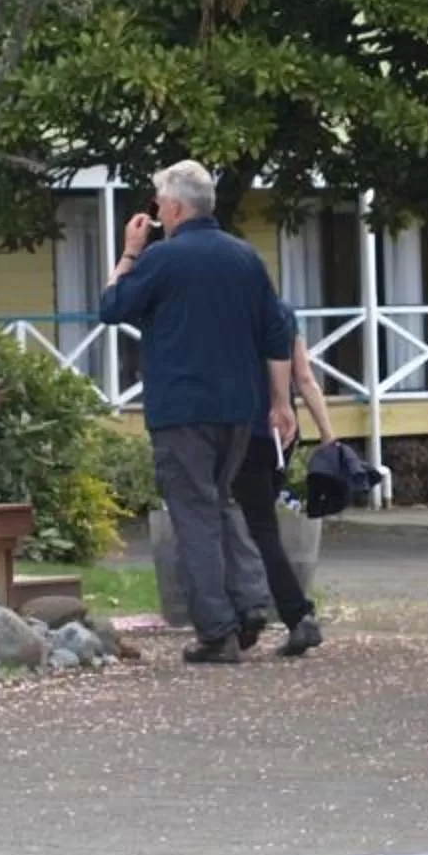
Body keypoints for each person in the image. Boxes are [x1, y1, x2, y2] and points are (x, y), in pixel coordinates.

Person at [96, 159, 293, 665]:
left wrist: (129, 252)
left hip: (183, 408)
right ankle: (250, 602)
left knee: (194, 515)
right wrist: (279, 401)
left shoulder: (163, 259)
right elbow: (277, 335)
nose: (156, 211)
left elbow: (113, 307)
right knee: (223, 502)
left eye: (160, 203)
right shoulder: (246, 258)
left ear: (177, 207)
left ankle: (217, 630)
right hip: (238, 408)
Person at [229, 304, 343, 657]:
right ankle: (273, 612)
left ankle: (274, 613)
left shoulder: (228, 312)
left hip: (241, 429)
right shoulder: (282, 313)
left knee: (241, 524)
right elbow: (305, 377)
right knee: (261, 526)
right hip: (282, 434)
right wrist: (328, 435)